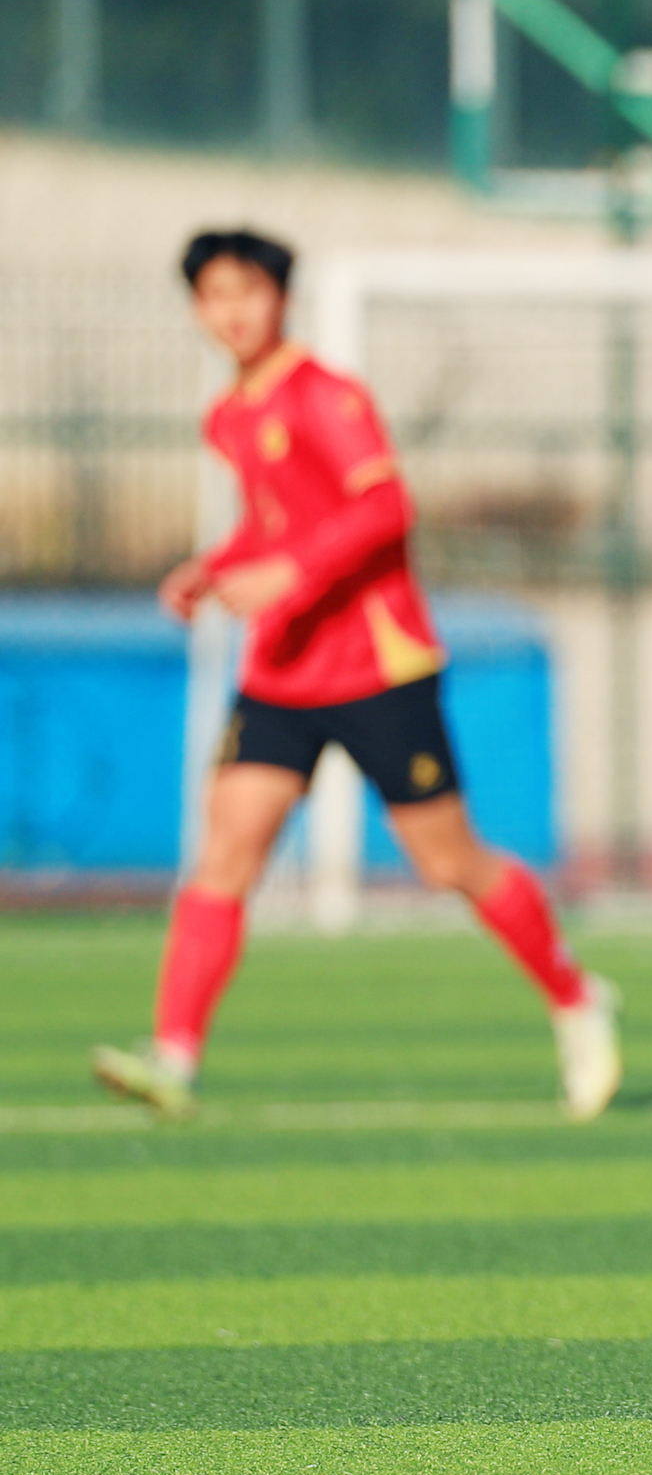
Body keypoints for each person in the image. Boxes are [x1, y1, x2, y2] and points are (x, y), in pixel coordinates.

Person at [91, 229, 619, 1123]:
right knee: (226, 852)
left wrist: (287, 575)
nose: (232, 312)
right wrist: (216, 567)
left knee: (448, 861)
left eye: (247, 291)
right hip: (284, 674)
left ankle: (575, 997)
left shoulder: (325, 395)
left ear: (281, 297)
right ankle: (174, 1056)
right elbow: (277, 524)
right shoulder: (227, 415)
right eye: (214, 295)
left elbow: (383, 505)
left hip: (377, 666)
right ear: (196, 308)